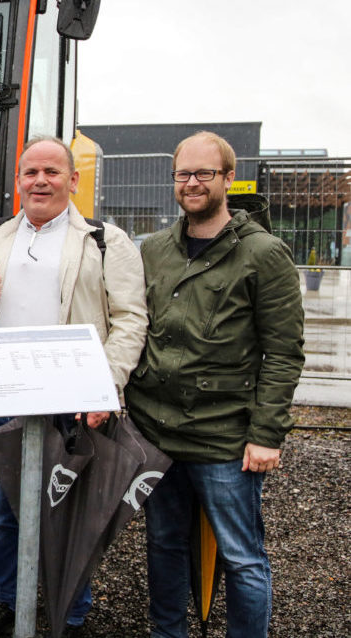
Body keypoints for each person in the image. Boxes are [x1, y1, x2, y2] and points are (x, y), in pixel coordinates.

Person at [0, 136, 148, 637]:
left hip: (72, 402)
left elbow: (131, 320)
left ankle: (70, 613)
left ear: (72, 180)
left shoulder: (104, 240)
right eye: (30, 172)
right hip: (0, 397)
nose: (40, 181)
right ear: (18, 180)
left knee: (69, 513)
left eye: (51, 172)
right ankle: (4, 601)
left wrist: (103, 388)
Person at [125, 131, 304, 638]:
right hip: (158, 434)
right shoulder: (155, 249)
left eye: (205, 173)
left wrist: (267, 433)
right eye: (183, 174)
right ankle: (168, 633)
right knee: (163, 543)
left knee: (242, 555)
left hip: (222, 436)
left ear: (229, 177)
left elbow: (283, 352)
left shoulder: (264, 254)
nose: (192, 183)